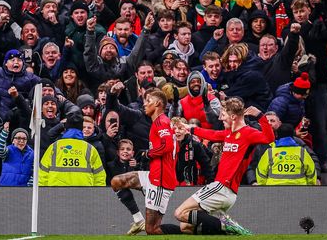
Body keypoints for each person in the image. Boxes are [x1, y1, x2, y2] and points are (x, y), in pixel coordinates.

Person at [174, 97, 274, 235]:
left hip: (223, 187)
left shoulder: (248, 133)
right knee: (185, 226)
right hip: (224, 190)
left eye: (224, 115)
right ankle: (228, 230)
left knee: (180, 213)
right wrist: (189, 129)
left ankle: (225, 225)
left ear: (233, 116)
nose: (221, 118)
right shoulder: (228, 134)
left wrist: (260, 116)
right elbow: (213, 134)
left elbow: (269, 138)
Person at [110, 88, 180, 235]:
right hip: (153, 174)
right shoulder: (158, 122)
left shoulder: (162, 121)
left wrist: (149, 153)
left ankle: (189, 232)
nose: (145, 104)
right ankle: (138, 220)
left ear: (158, 104)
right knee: (117, 181)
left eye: (148, 101)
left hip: (161, 180)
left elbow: (167, 146)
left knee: (152, 230)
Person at [39, 112, 106, 186]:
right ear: (81, 128)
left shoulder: (54, 147)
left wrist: (43, 193)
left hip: (56, 193)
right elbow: (100, 176)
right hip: (85, 193)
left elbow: (42, 174)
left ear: (66, 127)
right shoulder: (90, 149)